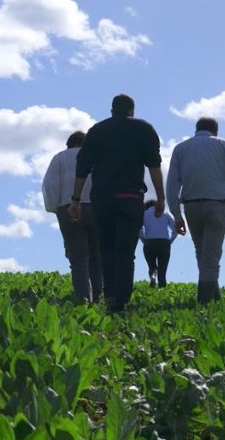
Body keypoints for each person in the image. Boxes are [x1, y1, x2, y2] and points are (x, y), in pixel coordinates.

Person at [70, 94, 165, 314]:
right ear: (132, 110)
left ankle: (110, 294)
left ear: (112, 110)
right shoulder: (144, 129)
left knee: (106, 248)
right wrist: (160, 197)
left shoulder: (97, 130)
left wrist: (75, 199)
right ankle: (121, 299)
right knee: (126, 251)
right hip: (131, 198)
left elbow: (82, 166)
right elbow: (154, 165)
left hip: (102, 197)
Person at [167, 117, 225, 304]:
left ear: (197, 129)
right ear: (215, 131)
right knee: (211, 256)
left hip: (191, 206)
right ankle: (204, 304)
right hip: (216, 206)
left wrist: (177, 215)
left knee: (202, 253)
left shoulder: (180, 149)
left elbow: (171, 185)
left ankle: (215, 300)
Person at [42, 131, 103, 302]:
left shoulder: (59, 158)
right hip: (96, 208)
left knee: (78, 260)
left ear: (69, 144)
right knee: (96, 256)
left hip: (68, 208)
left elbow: (49, 185)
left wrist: (55, 208)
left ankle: (83, 299)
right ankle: (98, 297)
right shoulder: (97, 157)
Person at [139, 200, 178, 288]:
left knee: (152, 266)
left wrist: (143, 240)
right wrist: (170, 241)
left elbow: (139, 229)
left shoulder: (143, 214)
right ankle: (162, 289)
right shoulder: (165, 213)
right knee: (162, 269)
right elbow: (175, 229)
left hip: (149, 242)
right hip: (164, 243)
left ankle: (153, 276)